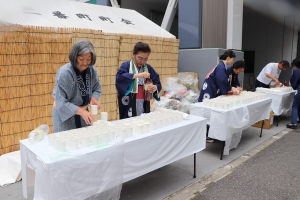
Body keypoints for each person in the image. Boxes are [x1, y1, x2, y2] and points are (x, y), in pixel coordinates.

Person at [52, 40, 101, 132]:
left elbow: (96, 87)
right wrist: (81, 111)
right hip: (66, 116)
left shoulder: (91, 70)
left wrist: (94, 98)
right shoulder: (65, 73)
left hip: (84, 114)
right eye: (81, 59)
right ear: (74, 57)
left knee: (85, 141)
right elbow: (61, 101)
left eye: (89, 59)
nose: (85, 63)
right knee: (67, 143)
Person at [198, 50, 240, 143]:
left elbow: (223, 81)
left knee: (209, 110)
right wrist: (231, 88)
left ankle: (208, 133)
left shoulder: (223, 66)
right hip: (209, 89)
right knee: (207, 110)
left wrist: (231, 88)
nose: (232, 62)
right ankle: (205, 135)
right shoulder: (221, 67)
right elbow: (222, 80)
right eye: (232, 60)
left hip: (211, 87)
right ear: (228, 58)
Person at [116, 42, 162, 119]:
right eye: (140, 58)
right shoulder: (126, 66)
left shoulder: (148, 68)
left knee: (144, 121)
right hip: (130, 100)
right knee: (129, 121)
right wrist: (138, 75)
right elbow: (120, 77)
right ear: (133, 54)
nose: (142, 62)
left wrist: (155, 87)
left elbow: (157, 82)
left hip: (144, 100)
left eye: (145, 59)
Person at [286, 58, 300, 129]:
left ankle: (294, 123)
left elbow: (294, 81)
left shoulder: (297, 71)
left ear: (295, 65)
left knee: (295, 106)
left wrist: (294, 86)